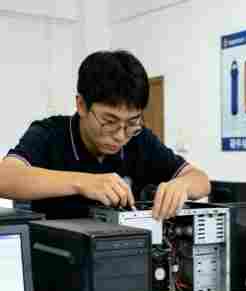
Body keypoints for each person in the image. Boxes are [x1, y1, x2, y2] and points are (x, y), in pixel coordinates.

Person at [0, 50, 210, 220]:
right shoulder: (50, 134)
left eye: (132, 123)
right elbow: (5, 177)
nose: (120, 135)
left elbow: (201, 180)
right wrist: (82, 182)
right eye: (109, 121)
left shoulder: (139, 140)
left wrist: (181, 186)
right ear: (81, 105)